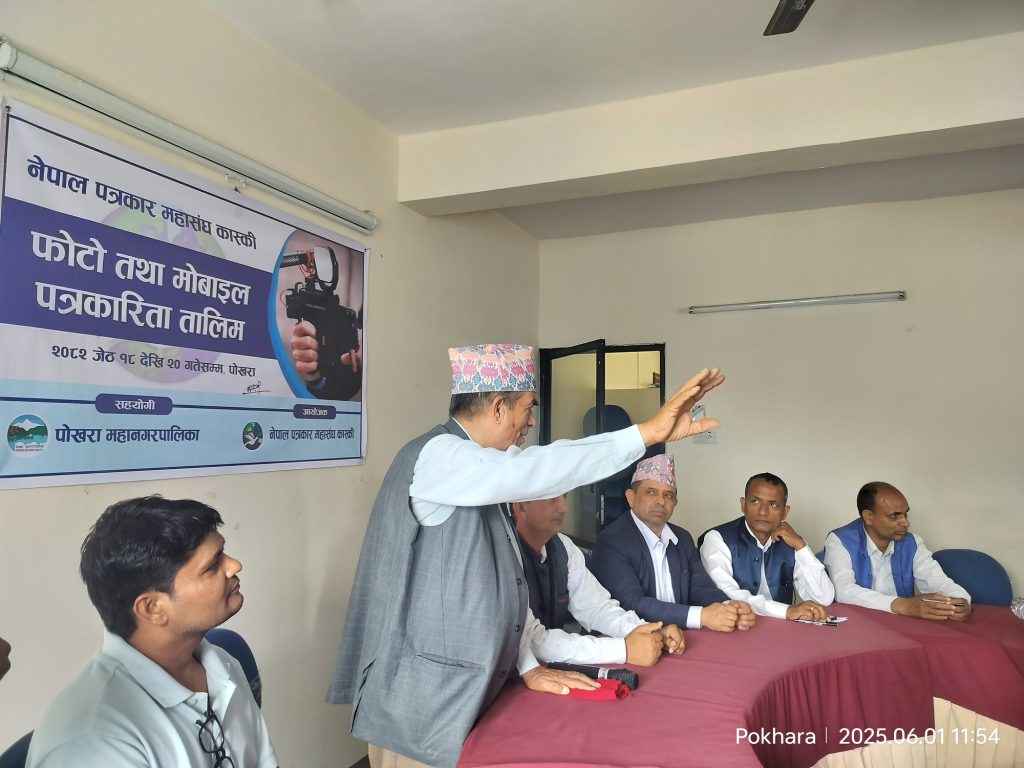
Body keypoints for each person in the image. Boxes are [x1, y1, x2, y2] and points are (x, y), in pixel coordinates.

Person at [327, 344, 724, 768]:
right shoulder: (440, 455)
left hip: (463, 699)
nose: (531, 422)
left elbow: (498, 597)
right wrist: (646, 434)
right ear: (498, 406)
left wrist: (530, 666)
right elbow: (534, 469)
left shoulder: (483, 472)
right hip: (420, 705)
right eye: (528, 408)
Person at [28, 497, 277, 768]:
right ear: (153, 608)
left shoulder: (222, 666)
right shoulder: (93, 743)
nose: (235, 565)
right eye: (212, 566)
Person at [513, 494, 685, 664]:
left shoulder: (563, 547)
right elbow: (529, 639)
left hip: (547, 668)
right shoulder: (505, 557)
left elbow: (596, 608)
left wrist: (646, 631)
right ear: (520, 507)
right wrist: (623, 650)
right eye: (551, 499)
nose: (564, 508)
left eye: (563, 497)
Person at [593, 455, 756, 632]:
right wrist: (702, 616)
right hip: (631, 639)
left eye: (668, 495)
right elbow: (632, 603)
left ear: (675, 503)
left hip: (681, 636)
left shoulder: (682, 538)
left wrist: (728, 607)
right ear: (631, 497)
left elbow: (700, 587)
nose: (661, 501)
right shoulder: (612, 541)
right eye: (651, 492)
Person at [824, 481, 971, 620]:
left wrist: (959, 601)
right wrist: (903, 605)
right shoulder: (839, 541)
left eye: (905, 514)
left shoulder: (912, 543)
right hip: (858, 626)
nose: (906, 523)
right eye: (894, 516)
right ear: (869, 517)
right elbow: (843, 590)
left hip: (902, 626)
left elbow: (937, 581)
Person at [698, 472, 834, 621]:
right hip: (736, 627)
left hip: (781, 629)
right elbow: (726, 594)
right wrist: (786, 611)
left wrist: (801, 546)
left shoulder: (791, 541)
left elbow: (824, 598)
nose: (763, 512)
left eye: (772, 504)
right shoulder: (717, 539)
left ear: (785, 512)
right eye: (755, 501)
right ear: (743, 504)